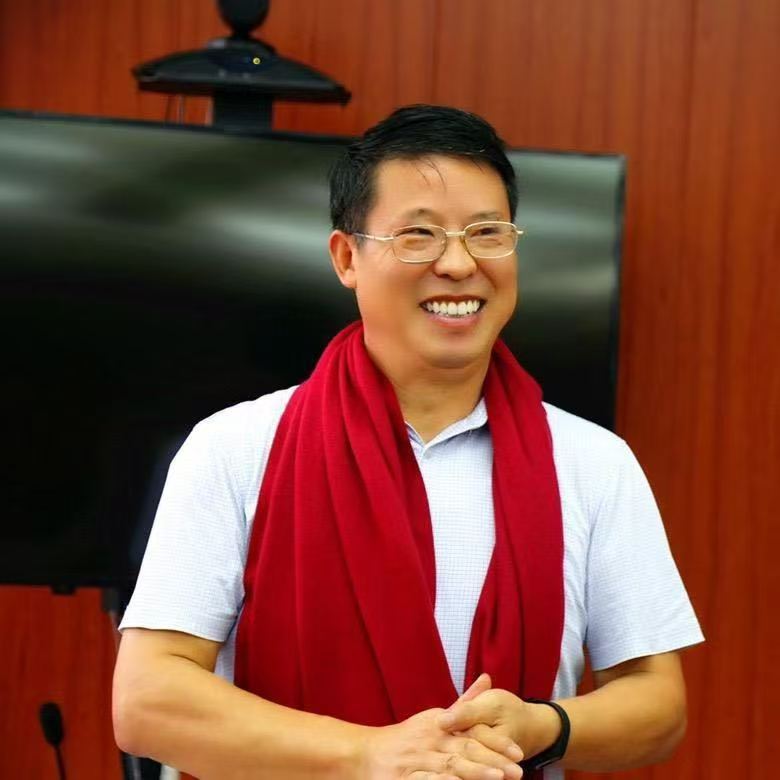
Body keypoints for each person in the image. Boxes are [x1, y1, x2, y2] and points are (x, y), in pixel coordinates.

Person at [113, 105, 704, 780]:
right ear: (347, 258)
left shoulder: (595, 462)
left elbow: (659, 705)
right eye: (418, 235)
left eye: (487, 233)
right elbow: (146, 700)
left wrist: (543, 726)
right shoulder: (236, 448)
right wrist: (367, 755)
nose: (458, 263)